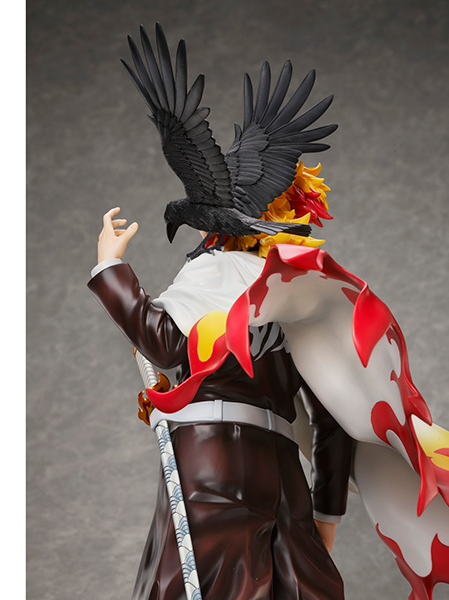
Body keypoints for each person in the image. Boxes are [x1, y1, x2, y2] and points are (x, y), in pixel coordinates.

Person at [88, 206, 353, 600]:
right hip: (283, 473)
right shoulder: (301, 290)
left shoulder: (218, 269)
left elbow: (165, 343)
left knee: (209, 583)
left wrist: (109, 266)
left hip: (214, 461)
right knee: (299, 588)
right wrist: (326, 510)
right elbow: (334, 414)